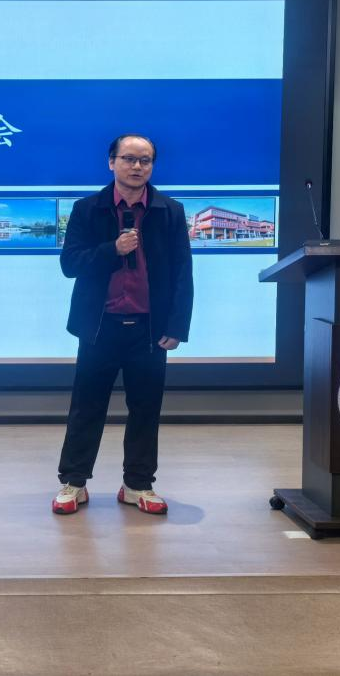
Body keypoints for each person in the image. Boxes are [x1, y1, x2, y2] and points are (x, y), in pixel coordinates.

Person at [52, 134, 194, 515]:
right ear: (111, 162)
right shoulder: (87, 209)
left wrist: (177, 325)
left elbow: (183, 272)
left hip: (149, 329)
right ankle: (74, 482)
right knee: (87, 407)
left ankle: (137, 484)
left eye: (145, 160)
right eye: (129, 159)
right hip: (99, 327)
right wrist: (112, 250)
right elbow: (70, 265)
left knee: (146, 409)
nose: (137, 167)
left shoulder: (170, 211)